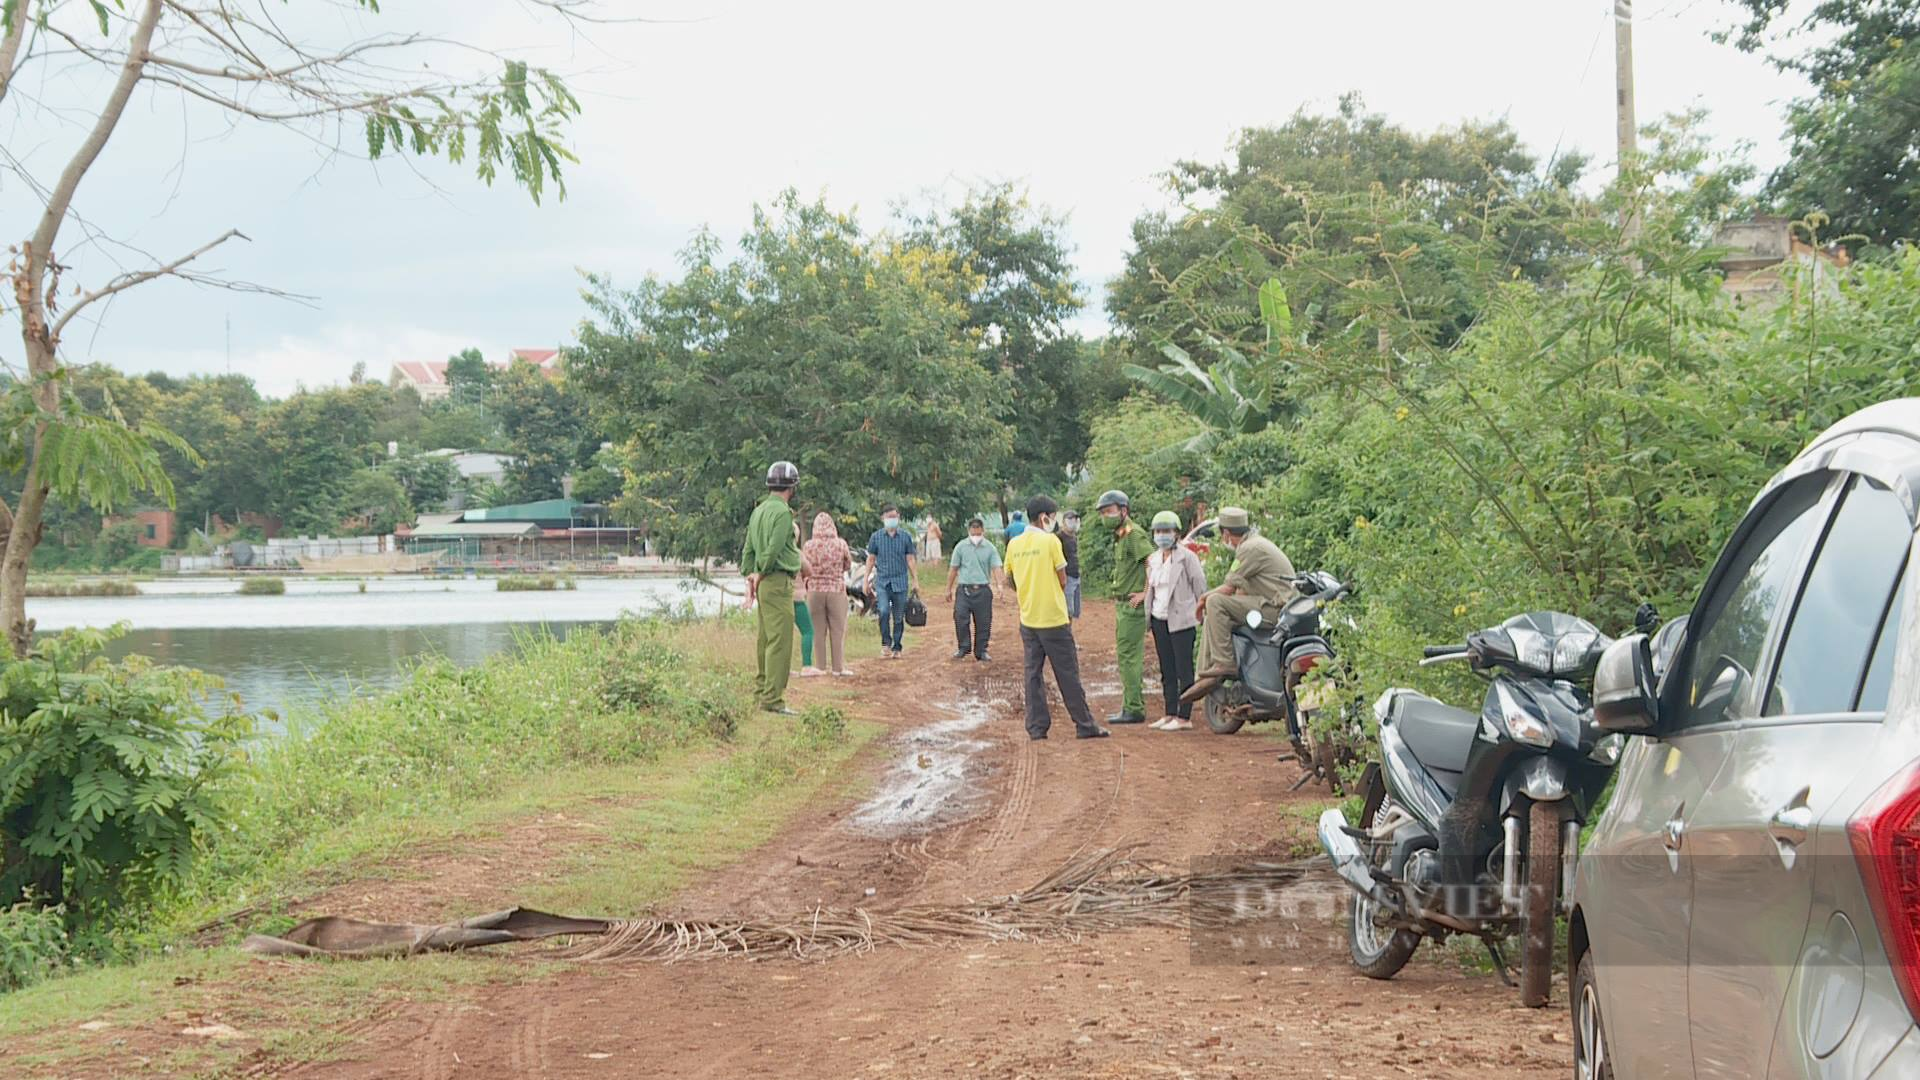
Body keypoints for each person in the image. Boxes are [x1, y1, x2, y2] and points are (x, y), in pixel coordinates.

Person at [1006, 495, 1107, 741]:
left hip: (1028, 619)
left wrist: (1028, 590)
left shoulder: (1014, 544)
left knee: (1032, 674)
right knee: (1067, 673)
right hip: (1053, 619)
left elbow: (1010, 580)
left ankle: (1037, 728)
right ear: (1044, 517)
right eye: (1053, 516)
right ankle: (1084, 724)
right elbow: (1063, 578)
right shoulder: (1051, 541)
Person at [1181, 506, 1300, 706]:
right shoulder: (1256, 544)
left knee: (1215, 602)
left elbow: (1227, 589)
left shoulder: (1249, 548)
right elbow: (1240, 591)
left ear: (1226, 533)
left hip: (1274, 609)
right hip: (1271, 605)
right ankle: (1204, 674)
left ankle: (1224, 663)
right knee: (1215, 610)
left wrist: (1202, 600)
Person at [740, 461, 803, 714]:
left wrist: (751, 576)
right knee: (780, 641)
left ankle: (761, 692)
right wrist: (761, 572)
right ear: (792, 487)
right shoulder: (783, 514)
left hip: (764, 583)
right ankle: (773, 700)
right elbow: (773, 550)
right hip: (776, 581)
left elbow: (748, 551)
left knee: (765, 639)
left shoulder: (758, 512)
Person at [1096, 490, 1156, 726]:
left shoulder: (1133, 535)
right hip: (1122, 605)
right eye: (1103, 513)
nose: (1106, 516)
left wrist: (1146, 593)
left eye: (1109, 511)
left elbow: (1151, 563)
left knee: (1129, 657)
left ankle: (1134, 708)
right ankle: (1132, 704)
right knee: (1125, 657)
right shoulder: (1120, 535)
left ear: (1124, 511)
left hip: (1132, 607)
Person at [1143, 510, 1208, 730]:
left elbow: (1200, 586)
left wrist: (1202, 612)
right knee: (1167, 669)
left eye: (1167, 531)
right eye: (1158, 531)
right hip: (1159, 618)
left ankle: (1184, 715)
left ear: (1176, 534)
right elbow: (1151, 589)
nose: (1162, 535)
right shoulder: (1153, 559)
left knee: (1183, 669)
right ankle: (1169, 712)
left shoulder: (1188, 558)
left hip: (1182, 620)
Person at [801, 511, 854, 677]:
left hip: (814, 590)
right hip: (836, 590)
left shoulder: (809, 546)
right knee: (837, 630)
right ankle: (838, 668)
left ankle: (820, 667)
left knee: (817, 631)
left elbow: (803, 567)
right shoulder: (840, 544)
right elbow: (848, 564)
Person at [946, 516, 1003, 662]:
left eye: (978, 533)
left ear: (983, 531)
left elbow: (996, 567)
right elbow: (953, 569)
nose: (976, 536)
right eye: (973, 533)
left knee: (984, 621)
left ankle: (981, 650)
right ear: (968, 531)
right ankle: (963, 647)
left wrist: (1000, 585)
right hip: (964, 589)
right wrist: (948, 589)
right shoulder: (961, 547)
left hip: (983, 589)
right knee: (960, 617)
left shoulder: (990, 548)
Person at [864, 505, 918, 658]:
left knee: (899, 616)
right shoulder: (876, 537)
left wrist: (915, 580)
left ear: (898, 517)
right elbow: (871, 559)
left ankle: (897, 646)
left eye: (894, 517)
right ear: (883, 518)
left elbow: (910, 559)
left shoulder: (906, 537)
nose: (892, 520)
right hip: (882, 582)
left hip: (900, 581)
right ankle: (885, 643)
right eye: (889, 517)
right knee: (883, 611)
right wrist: (865, 580)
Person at [791, 521, 822, 677]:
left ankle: (782, 668)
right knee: (807, 631)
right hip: (796, 598)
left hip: (778, 599)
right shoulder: (796, 553)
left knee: (782, 634)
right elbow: (809, 570)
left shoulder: (775, 553)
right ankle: (807, 665)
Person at [1059, 510, 1083, 620]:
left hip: (1075, 574)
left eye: (1075, 520)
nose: (1073, 522)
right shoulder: (1058, 537)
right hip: (1066, 576)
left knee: (1074, 610)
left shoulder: (1074, 537)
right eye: (1070, 519)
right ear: (1063, 522)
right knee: (1067, 610)